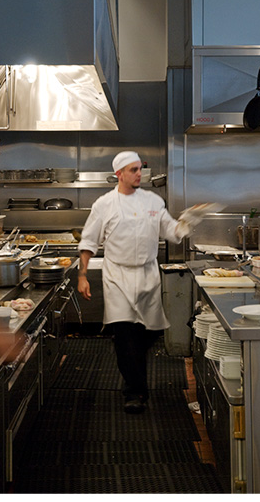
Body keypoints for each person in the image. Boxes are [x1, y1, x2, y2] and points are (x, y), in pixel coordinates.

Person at [76, 151, 192, 414]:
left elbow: (172, 232)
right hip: (117, 275)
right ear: (119, 174)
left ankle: (133, 371)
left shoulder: (153, 200)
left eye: (140, 168)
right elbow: (89, 241)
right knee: (125, 334)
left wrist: (188, 222)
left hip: (148, 274)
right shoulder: (104, 205)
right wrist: (82, 275)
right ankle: (135, 391)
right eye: (133, 169)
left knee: (148, 333)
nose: (139, 173)